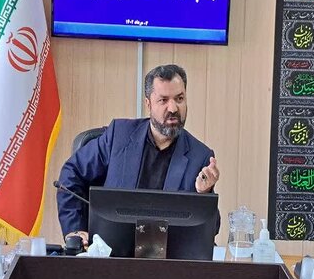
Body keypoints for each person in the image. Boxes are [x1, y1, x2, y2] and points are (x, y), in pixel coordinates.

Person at [57, 64, 220, 246]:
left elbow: (211, 230)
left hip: (168, 257)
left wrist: (204, 194)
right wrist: (75, 230)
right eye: (163, 100)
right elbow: (71, 175)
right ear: (148, 104)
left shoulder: (200, 156)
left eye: (179, 98)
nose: (173, 108)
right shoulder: (118, 136)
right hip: (112, 252)